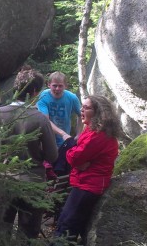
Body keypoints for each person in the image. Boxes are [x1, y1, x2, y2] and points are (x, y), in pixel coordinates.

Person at [0, 66, 59, 241]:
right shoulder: (40, 118)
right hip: (33, 182)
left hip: (4, 179)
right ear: (34, 92)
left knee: (2, 228)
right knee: (27, 233)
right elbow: (52, 156)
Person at [53, 95, 121, 244]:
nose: (81, 110)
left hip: (88, 186)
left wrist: (74, 154)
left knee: (66, 228)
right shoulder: (91, 130)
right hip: (84, 183)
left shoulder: (98, 135)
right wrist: (78, 159)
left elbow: (73, 157)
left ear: (99, 112)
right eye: (82, 107)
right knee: (66, 224)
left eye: (86, 107)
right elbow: (78, 157)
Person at [37, 71, 82, 147]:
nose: (57, 89)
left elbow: (81, 115)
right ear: (49, 85)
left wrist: (79, 134)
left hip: (64, 138)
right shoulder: (44, 96)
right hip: (46, 137)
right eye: (54, 86)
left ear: (65, 86)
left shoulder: (72, 98)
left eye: (60, 86)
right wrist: (62, 133)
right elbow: (45, 120)